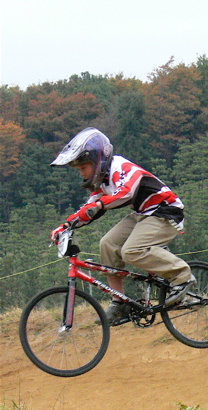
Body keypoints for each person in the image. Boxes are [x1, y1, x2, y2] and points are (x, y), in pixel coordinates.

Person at [50, 127, 195, 324]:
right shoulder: (103, 181)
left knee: (131, 251)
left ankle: (182, 276)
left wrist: (100, 204)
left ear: (96, 161)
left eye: (83, 168)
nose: (81, 173)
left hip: (165, 211)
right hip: (143, 214)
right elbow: (89, 208)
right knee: (107, 244)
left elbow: (126, 192)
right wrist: (65, 225)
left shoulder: (123, 167)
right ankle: (120, 302)